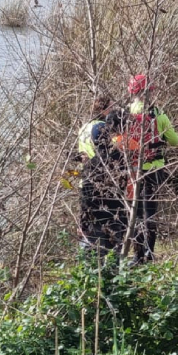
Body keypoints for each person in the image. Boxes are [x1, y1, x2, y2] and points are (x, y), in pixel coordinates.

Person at [113, 74, 178, 262]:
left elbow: (116, 141)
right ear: (149, 91)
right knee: (150, 211)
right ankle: (149, 254)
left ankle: (136, 253)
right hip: (154, 169)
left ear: (131, 91)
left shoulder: (124, 113)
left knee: (133, 210)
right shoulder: (158, 114)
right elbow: (175, 141)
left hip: (131, 170)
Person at [76, 95, 127, 252]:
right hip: (105, 179)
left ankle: (88, 265)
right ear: (104, 109)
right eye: (110, 106)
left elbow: (82, 155)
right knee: (109, 226)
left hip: (87, 179)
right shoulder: (102, 128)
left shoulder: (83, 128)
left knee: (90, 227)